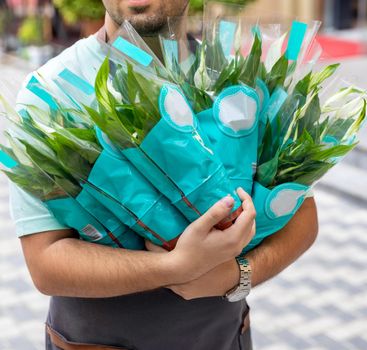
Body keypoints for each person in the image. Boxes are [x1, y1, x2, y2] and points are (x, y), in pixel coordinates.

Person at [9, 0, 319, 349]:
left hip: (222, 338)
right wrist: (176, 268)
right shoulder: (50, 92)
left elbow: (302, 217)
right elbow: (45, 262)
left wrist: (237, 274)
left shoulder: (238, 82)